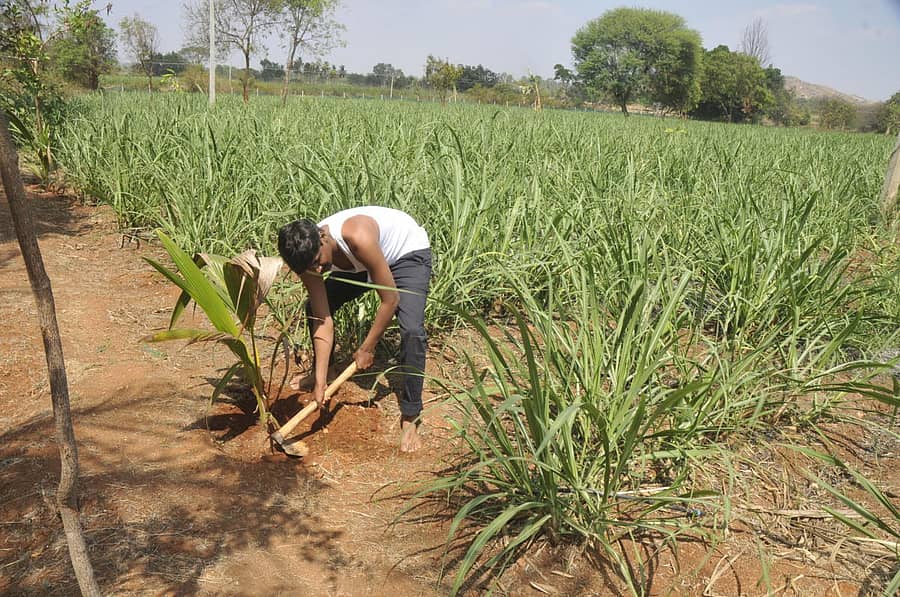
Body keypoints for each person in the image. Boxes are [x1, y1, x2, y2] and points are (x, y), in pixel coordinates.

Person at [277, 206, 432, 452]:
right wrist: (320, 382)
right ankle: (326, 374)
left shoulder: (358, 236)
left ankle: (411, 414)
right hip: (361, 264)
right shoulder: (306, 260)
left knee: (411, 330)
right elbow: (322, 320)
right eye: (309, 268)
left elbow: (390, 299)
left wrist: (367, 348)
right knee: (313, 307)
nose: (317, 271)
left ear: (323, 237)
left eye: (317, 262)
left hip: (404, 255)